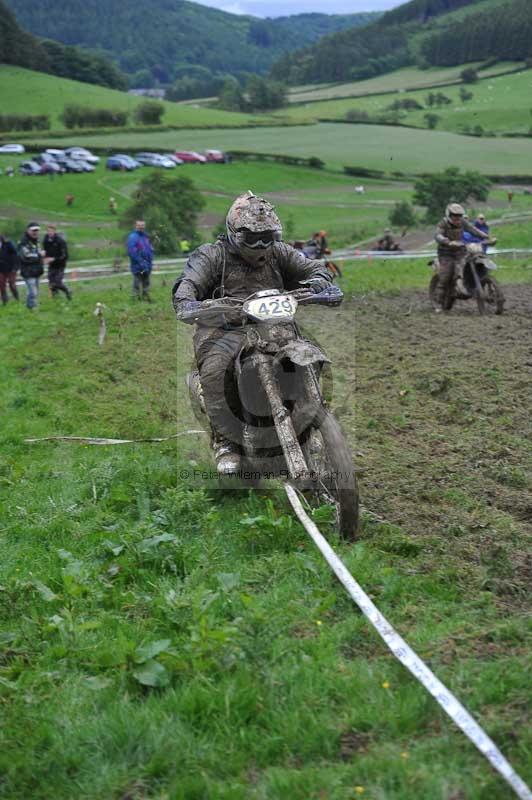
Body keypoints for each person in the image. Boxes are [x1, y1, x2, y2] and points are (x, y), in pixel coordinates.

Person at [172, 191, 334, 474]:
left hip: (276, 327)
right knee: (215, 370)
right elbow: (188, 283)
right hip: (223, 330)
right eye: (252, 238)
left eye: (268, 237)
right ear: (234, 233)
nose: (261, 245)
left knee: (309, 355)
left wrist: (319, 280)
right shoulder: (212, 255)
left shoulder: (279, 252)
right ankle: (226, 441)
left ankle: (312, 414)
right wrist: (188, 300)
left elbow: (310, 266)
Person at [433, 203, 489, 313]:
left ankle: (466, 286)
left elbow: (472, 229)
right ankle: (438, 303)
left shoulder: (462, 221)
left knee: (465, 268)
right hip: (446, 252)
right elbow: (437, 235)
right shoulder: (443, 223)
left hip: (460, 250)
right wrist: (446, 241)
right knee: (445, 276)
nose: (457, 217)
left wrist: (484, 236)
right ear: (449, 214)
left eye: (459, 215)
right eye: (454, 215)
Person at [18, 222, 45, 309]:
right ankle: (33, 308)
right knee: (33, 292)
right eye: (33, 230)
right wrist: (39, 255)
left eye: (37, 230)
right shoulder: (23, 242)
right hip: (27, 270)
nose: (35, 232)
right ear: (28, 230)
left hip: (37, 270)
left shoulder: (37, 241)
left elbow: (39, 253)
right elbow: (25, 256)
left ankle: (29, 307)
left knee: (35, 291)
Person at [127, 220, 154, 301]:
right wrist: (141, 262)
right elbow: (132, 252)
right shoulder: (133, 237)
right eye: (139, 225)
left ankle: (146, 298)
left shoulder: (145, 237)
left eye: (143, 225)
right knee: (137, 283)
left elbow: (149, 250)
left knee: (146, 283)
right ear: (136, 226)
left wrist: (150, 261)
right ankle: (135, 300)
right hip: (138, 265)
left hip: (147, 265)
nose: (141, 227)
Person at [43, 225, 71, 300]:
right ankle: (55, 300)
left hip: (60, 265)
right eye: (48, 231)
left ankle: (67, 291)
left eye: (51, 231)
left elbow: (65, 255)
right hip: (51, 266)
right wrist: (44, 257)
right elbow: (46, 252)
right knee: (51, 284)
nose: (49, 233)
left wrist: (54, 259)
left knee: (57, 282)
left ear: (54, 231)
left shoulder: (60, 241)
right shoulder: (45, 240)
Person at [0, 233, 20, 304]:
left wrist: (15, 267)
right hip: (1, 269)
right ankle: (5, 302)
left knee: (12, 284)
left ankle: (17, 299)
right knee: (1, 285)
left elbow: (15, 254)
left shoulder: (8, 243)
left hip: (11, 268)